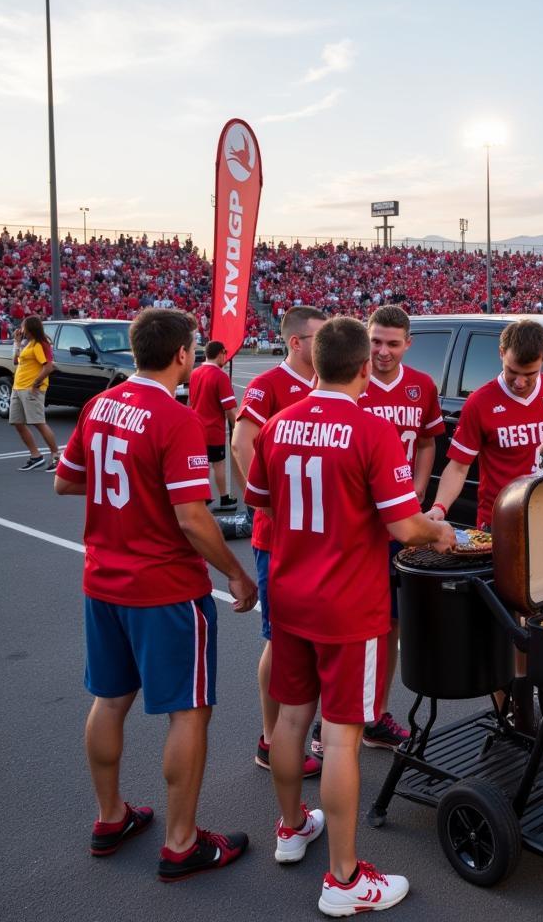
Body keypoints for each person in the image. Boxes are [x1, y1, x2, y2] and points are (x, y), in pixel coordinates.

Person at [244, 316, 456, 917]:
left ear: (315, 364)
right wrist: (437, 531)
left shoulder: (280, 424)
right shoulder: (372, 429)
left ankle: (290, 829)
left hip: (289, 593)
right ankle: (342, 879)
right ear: (365, 366)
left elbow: (259, 498)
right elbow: (403, 526)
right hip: (347, 605)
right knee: (341, 734)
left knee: (289, 720)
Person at [53, 308, 258, 881]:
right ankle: (181, 841)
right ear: (182, 355)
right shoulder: (175, 418)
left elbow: (65, 479)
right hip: (164, 587)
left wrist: (129, 490)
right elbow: (193, 518)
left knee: (110, 698)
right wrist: (236, 573)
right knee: (188, 711)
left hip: (103, 580)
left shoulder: (100, 406)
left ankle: (109, 816)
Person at [424, 318, 543, 730]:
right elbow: (458, 466)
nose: (519, 382)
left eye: (529, 373)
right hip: (502, 528)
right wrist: (440, 509)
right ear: (501, 355)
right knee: (507, 625)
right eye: (514, 371)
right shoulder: (481, 401)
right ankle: (513, 713)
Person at [232, 305, 326, 777]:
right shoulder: (269, 385)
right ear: (295, 342)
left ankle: (311, 730)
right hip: (280, 538)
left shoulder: (330, 381)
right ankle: (271, 738)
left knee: (316, 635)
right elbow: (241, 443)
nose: (323, 343)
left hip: (321, 536)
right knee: (279, 638)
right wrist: (266, 503)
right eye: (317, 336)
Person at [355, 305, 445, 750]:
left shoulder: (422, 386)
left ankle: (374, 712)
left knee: (389, 622)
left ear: (408, 344)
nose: (382, 352)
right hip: (357, 523)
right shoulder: (349, 380)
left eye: (392, 343)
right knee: (353, 623)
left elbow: (427, 442)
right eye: (375, 342)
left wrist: (419, 489)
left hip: (399, 518)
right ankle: (336, 716)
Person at [188, 340, 242, 509]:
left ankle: (204, 496)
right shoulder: (220, 376)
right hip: (214, 428)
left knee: (202, 462)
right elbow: (230, 409)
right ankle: (224, 497)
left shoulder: (195, 373)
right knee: (218, 463)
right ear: (220, 353)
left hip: (197, 426)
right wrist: (239, 429)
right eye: (224, 355)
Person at [10, 315, 60, 472]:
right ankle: (36, 456)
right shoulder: (28, 344)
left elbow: (49, 367)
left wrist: (35, 384)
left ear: (30, 328)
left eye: (23, 326)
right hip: (18, 387)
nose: (21, 329)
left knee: (39, 422)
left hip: (30, 389)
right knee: (17, 422)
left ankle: (56, 456)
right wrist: (17, 343)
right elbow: (16, 361)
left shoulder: (40, 344)